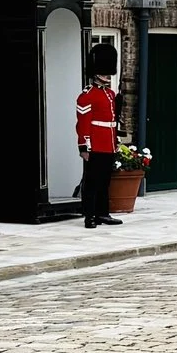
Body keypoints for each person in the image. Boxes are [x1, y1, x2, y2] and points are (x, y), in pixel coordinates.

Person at [76, 40, 122, 228]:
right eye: (104, 73)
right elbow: (83, 123)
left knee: (105, 181)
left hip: (108, 143)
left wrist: (116, 139)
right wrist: (84, 146)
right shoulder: (87, 95)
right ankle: (90, 216)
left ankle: (103, 213)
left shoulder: (111, 94)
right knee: (92, 182)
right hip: (95, 144)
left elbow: (112, 121)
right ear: (96, 74)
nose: (107, 76)